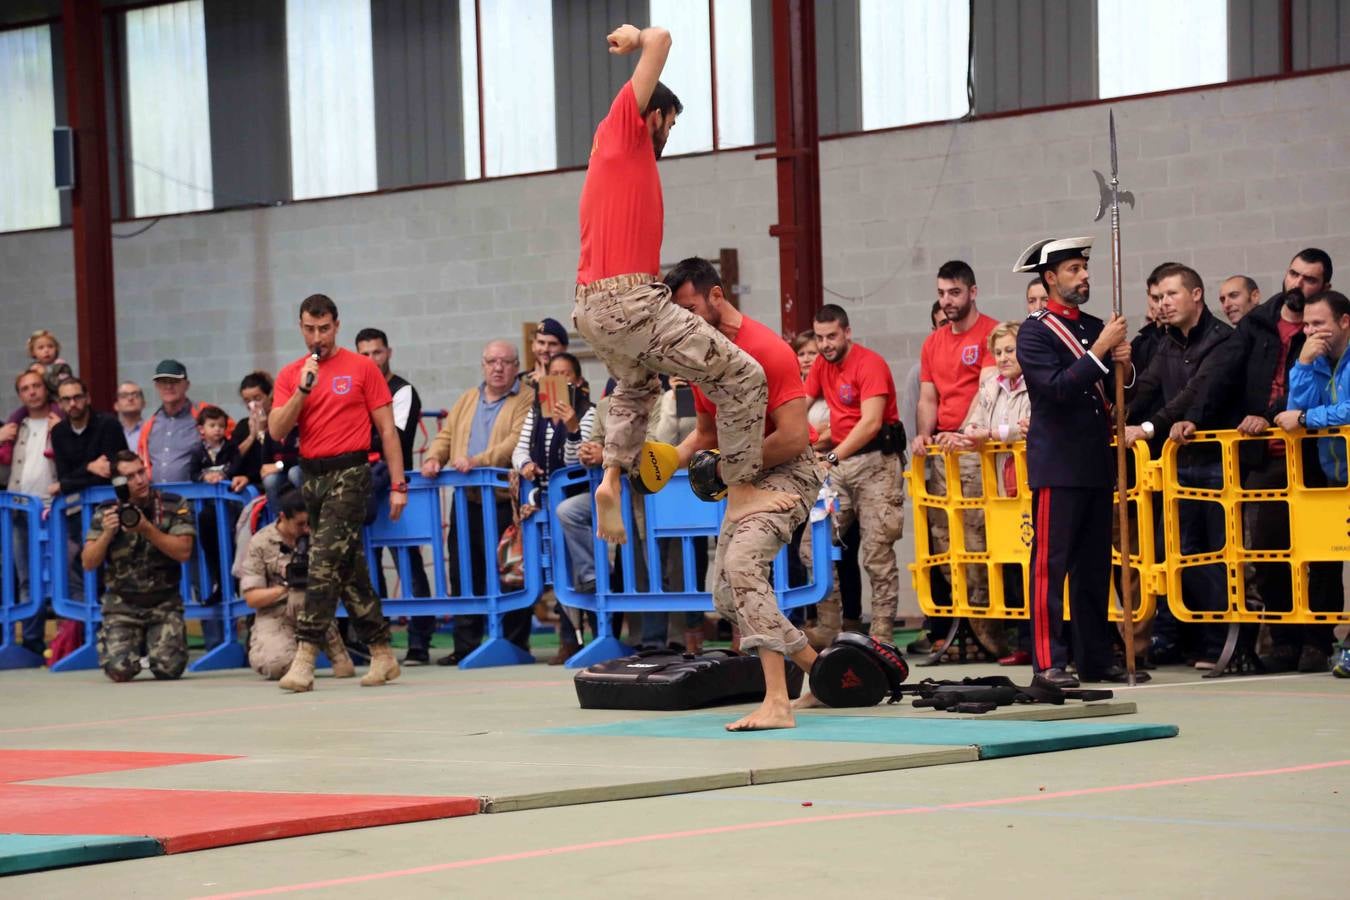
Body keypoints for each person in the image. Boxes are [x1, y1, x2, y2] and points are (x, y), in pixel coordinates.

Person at [572, 21, 788, 544]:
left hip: (591, 307)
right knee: (745, 377)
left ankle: (611, 479)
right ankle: (740, 493)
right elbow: (663, 38)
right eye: (670, 124)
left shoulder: (612, 162)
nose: (669, 135)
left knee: (635, 385)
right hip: (631, 301)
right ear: (657, 115)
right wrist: (635, 37)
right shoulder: (623, 129)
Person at [665, 257, 821, 730]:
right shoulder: (702, 358)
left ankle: (778, 702)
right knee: (727, 596)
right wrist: (667, 459)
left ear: (716, 295)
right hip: (745, 476)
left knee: (742, 567)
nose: (685, 320)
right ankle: (824, 672)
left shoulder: (768, 350)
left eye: (690, 307)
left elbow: (794, 438)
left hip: (790, 471)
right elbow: (706, 433)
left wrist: (734, 468)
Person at [1013, 235, 1139, 686]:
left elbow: (1118, 396)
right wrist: (1103, 350)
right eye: (1073, 270)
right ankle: (1049, 661)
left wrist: (1124, 362)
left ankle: (1095, 658)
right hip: (1057, 464)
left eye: (1084, 268)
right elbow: (1058, 389)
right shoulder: (1034, 331)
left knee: (1093, 568)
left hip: (1094, 462)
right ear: (1050, 279)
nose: (1084, 276)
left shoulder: (1091, 326)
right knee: (1051, 565)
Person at [268, 293, 408, 692]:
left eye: (325, 328)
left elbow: (387, 431)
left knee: (323, 561)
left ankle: (306, 655)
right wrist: (301, 392)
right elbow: (277, 431)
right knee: (348, 569)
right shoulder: (291, 373)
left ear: (337, 325)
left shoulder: (362, 367)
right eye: (310, 329)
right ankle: (382, 652)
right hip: (311, 477)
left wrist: (398, 484)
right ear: (300, 327)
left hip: (352, 471)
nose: (318, 337)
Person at [1124, 263, 1242, 669]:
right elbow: (1146, 389)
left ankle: (1219, 644)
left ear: (1196, 295)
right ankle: (1176, 639)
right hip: (1178, 466)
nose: (1163, 303)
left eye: (1171, 294)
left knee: (1214, 556)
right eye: (1158, 297)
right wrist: (1111, 416)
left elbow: (1199, 394)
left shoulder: (1223, 340)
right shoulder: (1167, 344)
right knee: (1175, 553)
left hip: (1215, 463)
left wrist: (1146, 427)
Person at [1235, 247, 1336, 673]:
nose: (1298, 284)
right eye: (1294, 274)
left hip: (1316, 457)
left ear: (1323, 287)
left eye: (1309, 279)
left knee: (1323, 554)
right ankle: (1283, 639)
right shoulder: (1255, 324)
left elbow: (1313, 395)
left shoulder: (1327, 327)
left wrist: (1278, 410)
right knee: (1269, 552)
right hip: (1266, 457)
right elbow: (1228, 380)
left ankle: (1319, 639)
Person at [421, 340, 534, 665]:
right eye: (491, 361)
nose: (498, 367)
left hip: (502, 499)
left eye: (505, 362)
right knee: (463, 570)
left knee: (509, 571)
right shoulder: (468, 398)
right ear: (483, 365)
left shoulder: (525, 398)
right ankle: (465, 644)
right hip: (467, 498)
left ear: (515, 366)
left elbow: (515, 441)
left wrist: (477, 461)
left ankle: (514, 643)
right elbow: (446, 436)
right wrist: (433, 459)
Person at [804, 304, 905, 643]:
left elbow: (871, 423)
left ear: (847, 332)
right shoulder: (820, 363)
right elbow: (800, 402)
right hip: (841, 467)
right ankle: (830, 625)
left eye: (831, 336)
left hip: (876, 463)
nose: (825, 344)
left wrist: (830, 455)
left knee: (877, 553)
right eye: (819, 338)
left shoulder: (869, 363)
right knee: (814, 545)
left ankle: (882, 634)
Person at [936, 321, 1032, 660]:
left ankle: (1037, 641)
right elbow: (972, 424)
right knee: (1010, 562)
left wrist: (988, 434)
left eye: (1010, 350)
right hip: (999, 485)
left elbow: (1029, 428)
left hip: (1029, 482)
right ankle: (1022, 642)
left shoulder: (1037, 382)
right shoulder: (990, 385)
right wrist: (961, 436)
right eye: (999, 352)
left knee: (1032, 562)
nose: (1004, 357)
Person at [1276, 288, 1350, 676]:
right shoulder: (1315, 358)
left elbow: (1339, 411)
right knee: (1323, 564)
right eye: (1306, 325)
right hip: (1334, 478)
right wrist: (1303, 365)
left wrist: (1307, 420)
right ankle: (1323, 645)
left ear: (1344, 322)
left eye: (1319, 323)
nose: (1311, 331)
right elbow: (1294, 407)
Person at [355, 327, 433, 665]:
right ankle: (373, 641)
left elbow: (395, 441)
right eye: (364, 354)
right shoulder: (354, 391)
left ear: (389, 352)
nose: (371, 360)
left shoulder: (402, 391)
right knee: (366, 567)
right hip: (361, 483)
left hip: (395, 486)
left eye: (377, 353)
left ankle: (419, 642)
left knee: (407, 562)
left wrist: (363, 440)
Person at [81, 450, 194, 682]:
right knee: (119, 671)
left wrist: (147, 529)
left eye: (141, 472)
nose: (140, 480)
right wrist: (106, 534)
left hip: (164, 601)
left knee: (168, 669)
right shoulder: (106, 512)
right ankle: (131, 645)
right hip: (122, 604)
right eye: (130, 477)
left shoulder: (173, 504)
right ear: (118, 483)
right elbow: (88, 562)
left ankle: (156, 645)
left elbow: (184, 552)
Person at [514, 351, 596, 662]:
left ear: (578, 381)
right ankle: (569, 640)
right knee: (559, 573)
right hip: (545, 503)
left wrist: (572, 427)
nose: (559, 381)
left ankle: (600, 633)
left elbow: (578, 464)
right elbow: (520, 449)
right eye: (554, 375)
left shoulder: (587, 412)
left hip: (578, 505)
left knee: (584, 574)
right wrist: (524, 465)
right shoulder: (537, 413)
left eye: (566, 375)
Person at [238, 488, 355, 680]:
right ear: (283, 517)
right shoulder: (260, 542)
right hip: (275, 613)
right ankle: (295, 655)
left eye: (309, 523)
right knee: (275, 665)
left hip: (315, 607)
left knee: (345, 671)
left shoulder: (319, 536)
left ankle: (335, 647)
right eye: (300, 524)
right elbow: (252, 598)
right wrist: (285, 588)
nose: (306, 529)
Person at [5, 371, 62, 657]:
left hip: (57, 509)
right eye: (25, 388)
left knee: (64, 577)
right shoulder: (15, 425)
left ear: (45, 389)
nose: (32, 392)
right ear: (20, 395)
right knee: (27, 579)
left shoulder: (60, 421)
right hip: (20, 511)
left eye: (36, 386)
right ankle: (32, 642)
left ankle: (68, 641)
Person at [230, 371, 301, 505]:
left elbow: (288, 458)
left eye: (257, 398)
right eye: (247, 401)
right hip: (255, 480)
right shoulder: (243, 426)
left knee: (285, 476)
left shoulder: (284, 422)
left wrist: (263, 432)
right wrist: (252, 436)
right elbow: (234, 460)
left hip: (286, 474)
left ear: (270, 396)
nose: (253, 405)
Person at [138, 360, 212, 483]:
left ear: (187, 385)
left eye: (175, 381)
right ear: (156, 386)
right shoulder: (149, 425)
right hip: (159, 499)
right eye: (163, 382)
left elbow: (231, 448)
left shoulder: (207, 414)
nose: (168, 386)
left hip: (199, 499)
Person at [51, 377, 128, 496]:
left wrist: (68, 484)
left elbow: (110, 473)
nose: (72, 403)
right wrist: (89, 467)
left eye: (77, 397)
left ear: (87, 398)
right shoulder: (58, 432)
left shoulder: (108, 424)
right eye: (66, 399)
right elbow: (64, 477)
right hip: (74, 504)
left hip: (110, 499)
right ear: (60, 404)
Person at [523, 318, 570, 390]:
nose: (545, 349)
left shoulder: (571, 381)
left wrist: (545, 384)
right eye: (541, 343)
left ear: (564, 349)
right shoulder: (519, 382)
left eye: (552, 344)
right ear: (533, 346)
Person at [116, 382, 146, 449]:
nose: (130, 398)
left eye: (135, 395)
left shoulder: (153, 430)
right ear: (116, 406)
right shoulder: (111, 432)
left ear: (144, 403)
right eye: (124, 396)